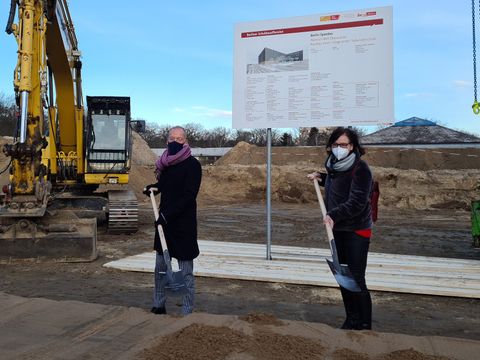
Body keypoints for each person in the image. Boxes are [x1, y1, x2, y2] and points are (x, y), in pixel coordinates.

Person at [307, 127, 373, 330]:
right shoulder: (335, 167)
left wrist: (333, 214)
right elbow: (340, 185)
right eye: (335, 145)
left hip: (356, 230)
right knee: (343, 276)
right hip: (337, 229)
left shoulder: (361, 169)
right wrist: (322, 177)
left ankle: (363, 323)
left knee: (356, 277)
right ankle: (350, 319)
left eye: (343, 145)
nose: (339, 148)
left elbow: (357, 202)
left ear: (352, 146)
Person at [144, 126, 202, 316]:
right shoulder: (166, 165)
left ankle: (187, 310)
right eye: (172, 138)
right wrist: (153, 188)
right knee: (160, 269)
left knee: (185, 271)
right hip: (164, 226)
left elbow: (188, 195)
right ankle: (159, 304)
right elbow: (164, 185)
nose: (175, 142)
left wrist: (168, 215)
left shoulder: (193, 165)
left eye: (180, 139)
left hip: (183, 225)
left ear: (185, 141)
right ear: (167, 141)